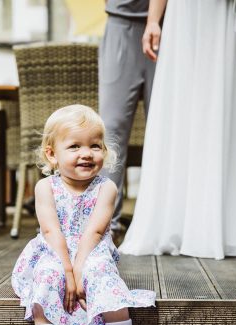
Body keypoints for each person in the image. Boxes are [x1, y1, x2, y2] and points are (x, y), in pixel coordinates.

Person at [120, 0, 236, 259]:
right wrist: (153, 20)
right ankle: (184, 223)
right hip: (189, 15)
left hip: (234, 14)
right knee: (191, 105)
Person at [11, 105, 155, 325]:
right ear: (52, 155)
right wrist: (67, 269)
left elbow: (95, 232)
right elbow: (51, 232)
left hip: (92, 249)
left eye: (95, 145)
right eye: (75, 146)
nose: (86, 153)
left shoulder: (106, 187)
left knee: (99, 270)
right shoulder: (45, 187)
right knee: (47, 273)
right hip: (55, 250)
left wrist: (79, 268)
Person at [99, 0, 156, 237]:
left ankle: (162, 219)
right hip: (120, 24)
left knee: (168, 131)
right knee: (111, 130)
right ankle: (106, 222)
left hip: (170, 28)